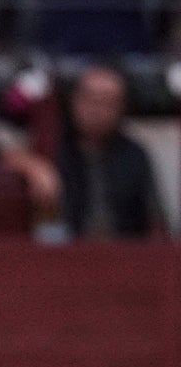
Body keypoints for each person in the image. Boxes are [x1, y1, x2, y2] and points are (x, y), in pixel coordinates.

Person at [57, 65, 165, 239]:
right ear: (74, 100)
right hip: (64, 254)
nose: (96, 110)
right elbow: (7, 154)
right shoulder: (54, 148)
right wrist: (33, 167)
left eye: (106, 102)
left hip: (126, 256)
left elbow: (155, 220)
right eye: (90, 99)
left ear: (121, 108)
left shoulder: (135, 155)